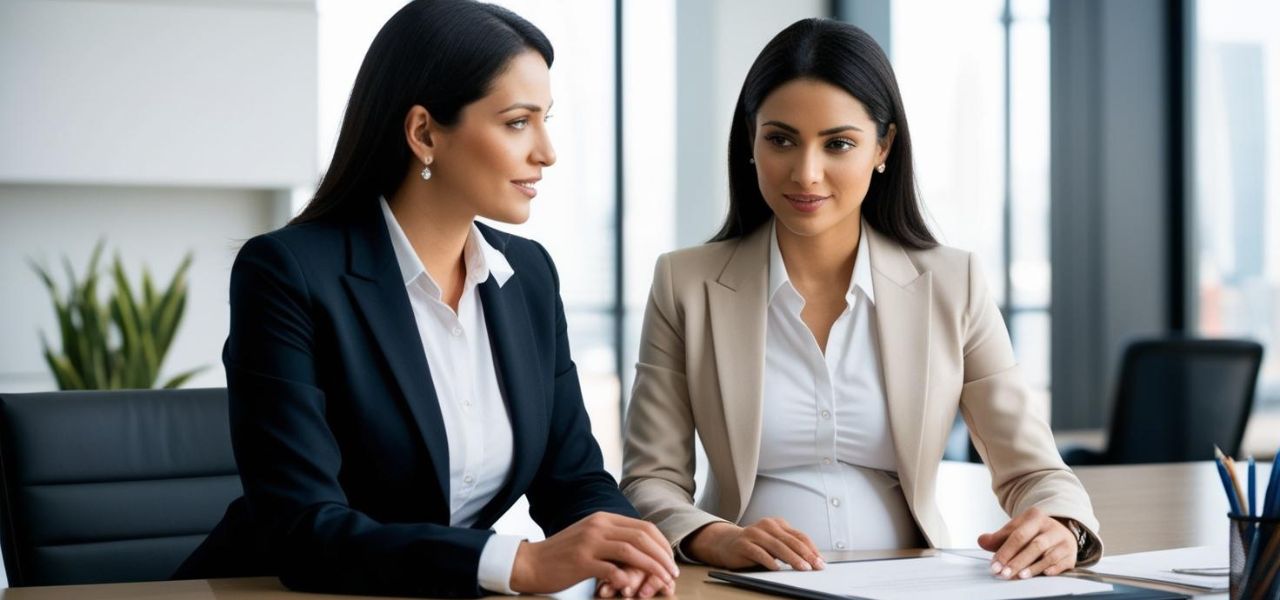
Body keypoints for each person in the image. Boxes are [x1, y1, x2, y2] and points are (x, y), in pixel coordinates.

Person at [173, 1, 677, 597]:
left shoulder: (529, 276)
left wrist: (628, 554)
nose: (546, 151)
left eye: (546, 119)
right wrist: (518, 563)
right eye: (518, 122)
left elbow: (574, 480)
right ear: (424, 132)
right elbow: (304, 530)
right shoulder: (287, 273)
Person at [620, 17, 1102, 588]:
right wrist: (713, 536)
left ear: (883, 147)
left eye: (839, 143)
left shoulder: (953, 282)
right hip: (748, 586)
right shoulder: (686, 283)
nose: (806, 173)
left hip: (912, 586)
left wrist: (1062, 525)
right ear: (751, 141)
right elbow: (649, 481)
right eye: (780, 139)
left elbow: (1035, 469)